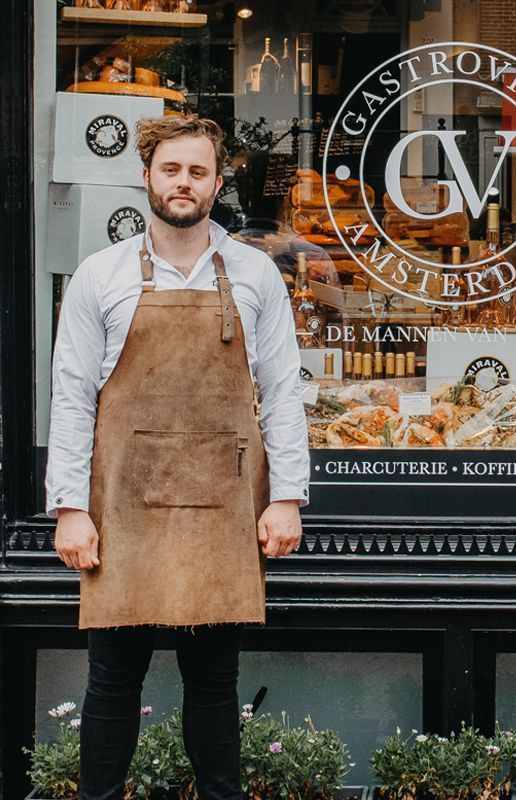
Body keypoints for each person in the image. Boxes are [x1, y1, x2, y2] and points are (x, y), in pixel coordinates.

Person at [46, 115, 310, 800]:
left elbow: (283, 393)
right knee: (111, 684)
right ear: (147, 178)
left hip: (222, 508)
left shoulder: (255, 274)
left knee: (215, 688)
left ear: (217, 182)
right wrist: (70, 508)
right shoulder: (100, 275)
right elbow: (71, 399)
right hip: (122, 512)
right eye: (171, 169)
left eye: (197, 171)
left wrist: (286, 496)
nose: (183, 183)